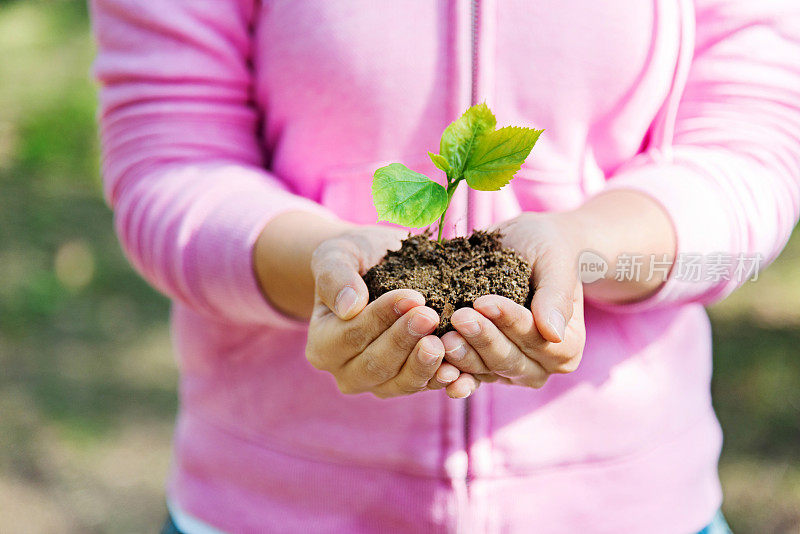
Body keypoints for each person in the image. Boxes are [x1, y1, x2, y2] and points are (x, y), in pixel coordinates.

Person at [90, 1, 800, 532]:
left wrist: (583, 248)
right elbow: (170, 161)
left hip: (635, 506)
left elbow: (749, 157)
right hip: (271, 505)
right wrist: (323, 268)